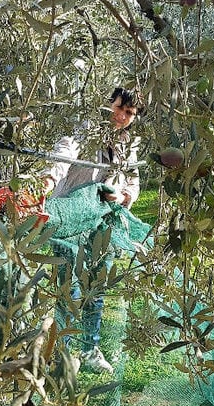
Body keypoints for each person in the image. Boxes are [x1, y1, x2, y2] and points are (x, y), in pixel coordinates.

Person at [43, 87, 142, 373]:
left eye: (129, 113)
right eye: (119, 108)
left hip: (103, 221)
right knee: (67, 287)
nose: (121, 116)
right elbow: (64, 153)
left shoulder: (128, 143)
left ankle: (90, 349)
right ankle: (60, 350)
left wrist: (123, 197)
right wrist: (48, 179)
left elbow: (133, 179)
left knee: (95, 286)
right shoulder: (87, 129)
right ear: (107, 104)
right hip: (70, 217)